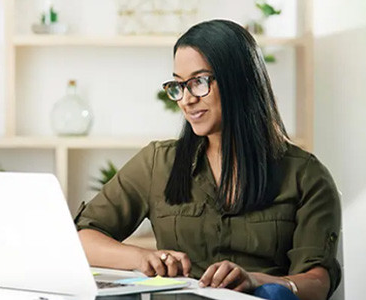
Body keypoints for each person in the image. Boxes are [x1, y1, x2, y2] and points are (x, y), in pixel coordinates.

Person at [74, 19, 341, 300]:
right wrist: (141, 257)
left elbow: (318, 281)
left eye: (199, 82)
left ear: (238, 80)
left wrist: (255, 280)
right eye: (178, 85)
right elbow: (81, 239)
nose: (186, 99)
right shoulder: (157, 163)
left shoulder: (305, 175)